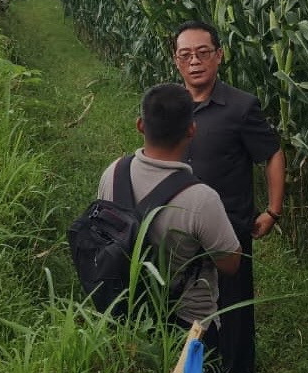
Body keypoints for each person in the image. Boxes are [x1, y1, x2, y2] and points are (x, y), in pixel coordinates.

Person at [172, 20, 285, 373]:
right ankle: (196, 369)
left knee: (234, 305)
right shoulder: (172, 106)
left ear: (219, 56)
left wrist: (272, 210)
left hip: (229, 226)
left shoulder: (240, 106)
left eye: (203, 53)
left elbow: (271, 154)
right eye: (186, 55)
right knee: (185, 299)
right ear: (176, 61)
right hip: (179, 227)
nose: (195, 62)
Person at [96, 83, 242, 330]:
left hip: (122, 312)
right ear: (192, 129)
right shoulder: (201, 199)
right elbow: (230, 264)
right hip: (187, 325)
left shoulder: (113, 172)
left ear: (140, 125)